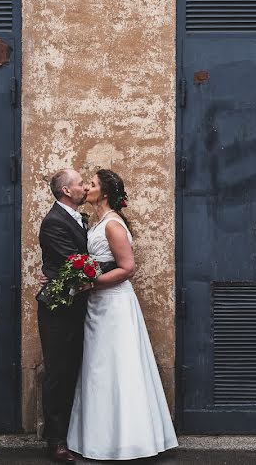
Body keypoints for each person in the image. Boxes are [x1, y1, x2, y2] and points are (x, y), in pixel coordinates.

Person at [66, 169, 178, 460]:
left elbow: (127, 268)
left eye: (91, 184)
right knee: (99, 368)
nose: (87, 187)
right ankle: (101, 438)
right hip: (98, 304)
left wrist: (91, 282)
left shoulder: (112, 225)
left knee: (117, 367)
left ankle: (129, 439)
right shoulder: (97, 222)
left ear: (103, 193)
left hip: (114, 304)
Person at [36, 168, 90, 463]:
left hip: (78, 304)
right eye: (81, 183)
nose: (84, 186)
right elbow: (77, 262)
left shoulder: (80, 218)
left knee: (73, 372)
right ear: (67, 191)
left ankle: (74, 434)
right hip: (57, 309)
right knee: (58, 373)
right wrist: (119, 266)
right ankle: (54, 441)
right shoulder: (54, 222)